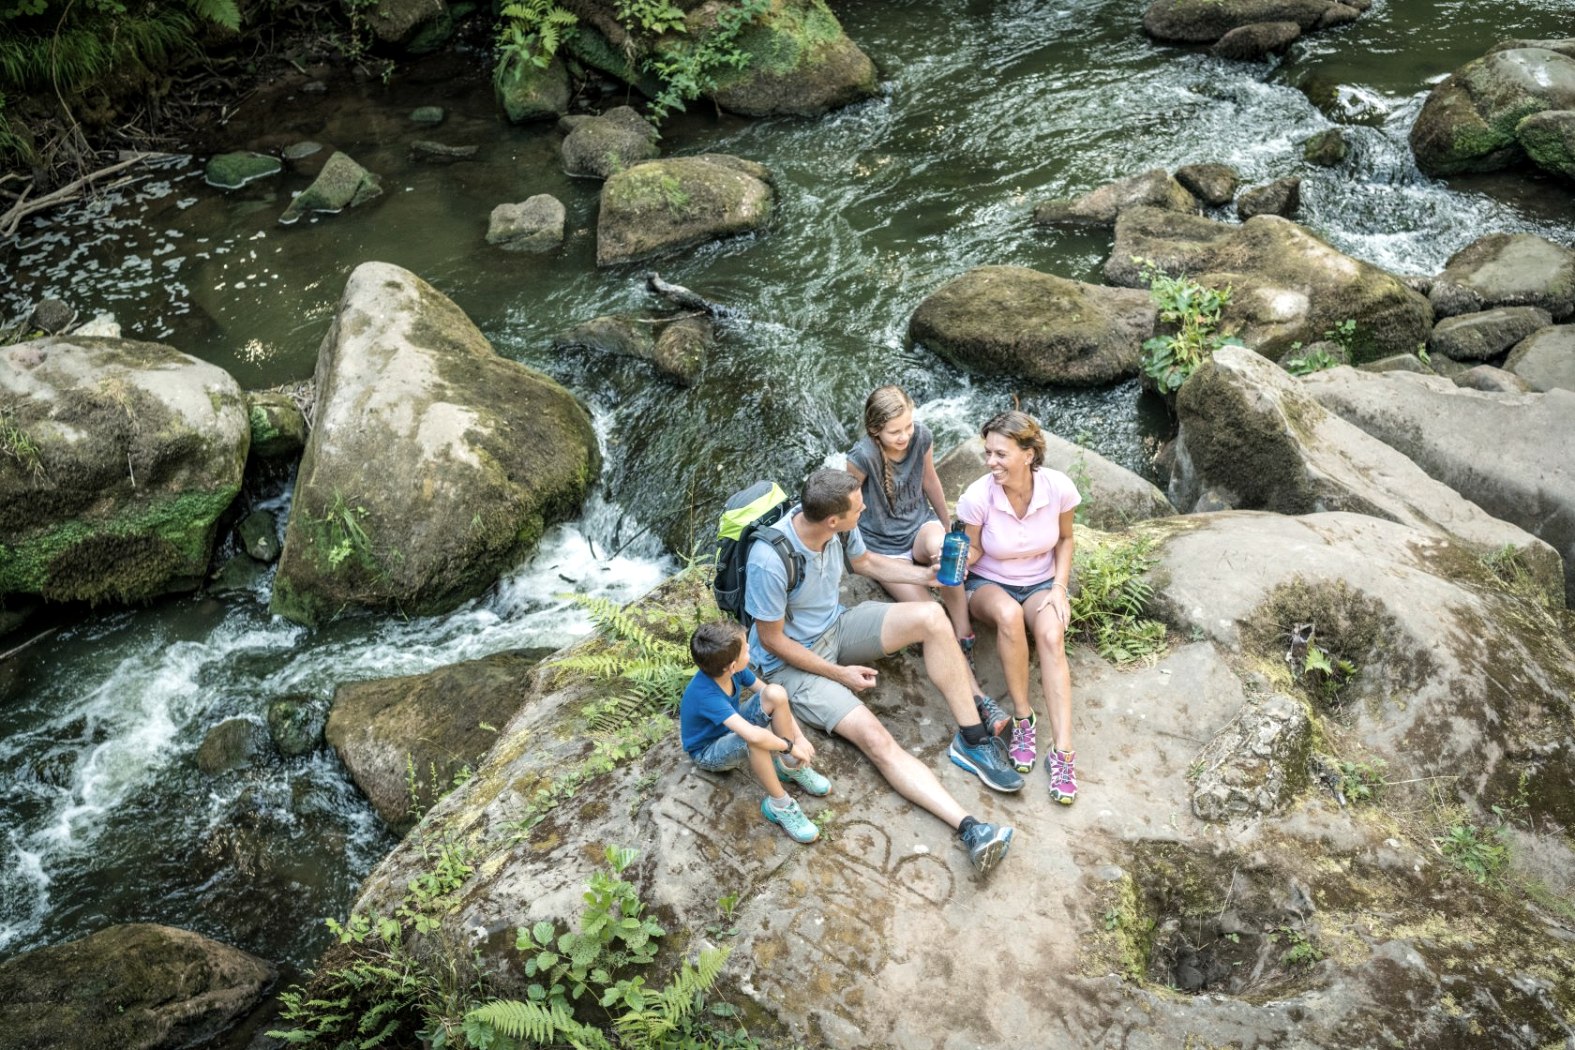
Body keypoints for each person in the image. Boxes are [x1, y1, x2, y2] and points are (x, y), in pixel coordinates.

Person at [744, 468, 1021, 875]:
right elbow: (771, 641)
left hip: (836, 627)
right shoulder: (769, 560)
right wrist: (839, 675)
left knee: (930, 614)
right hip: (789, 667)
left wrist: (926, 577)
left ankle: (972, 738)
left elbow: (867, 561)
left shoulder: (838, 530)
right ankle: (972, 829)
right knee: (876, 739)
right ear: (832, 519)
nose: (866, 508)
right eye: (859, 507)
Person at [843, 386, 1005, 732]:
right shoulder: (862, 456)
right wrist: (854, 551)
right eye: (895, 431)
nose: (904, 436)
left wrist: (949, 529)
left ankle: (964, 635)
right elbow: (845, 506)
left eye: (908, 427)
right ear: (876, 430)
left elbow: (930, 480)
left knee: (948, 555)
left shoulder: (922, 437)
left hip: (918, 527)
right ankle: (978, 699)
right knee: (928, 614)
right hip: (882, 547)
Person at [955, 410, 1083, 804]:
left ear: (1028, 454)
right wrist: (957, 560)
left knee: (1050, 632)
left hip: (1042, 581)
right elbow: (974, 549)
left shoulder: (1058, 487)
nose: (991, 462)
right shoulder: (978, 497)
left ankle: (1062, 753)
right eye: (988, 453)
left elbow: (1064, 540)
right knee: (1009, 616)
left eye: (1000, 454)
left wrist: (1059, 588)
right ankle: (1024, 720)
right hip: (989, 582)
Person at [680, 620, 832, 844]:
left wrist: (798, 740)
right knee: (754, 740)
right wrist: (787, 746)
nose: (750, 648)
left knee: (775, 693)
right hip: (709, 751)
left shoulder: (732, 672)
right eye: (745, 648)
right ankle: (779, 805)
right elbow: (752, 735)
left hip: (732, 725)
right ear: (732, 665)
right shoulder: (705, 694)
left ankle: (789, 766)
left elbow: (772, 696)